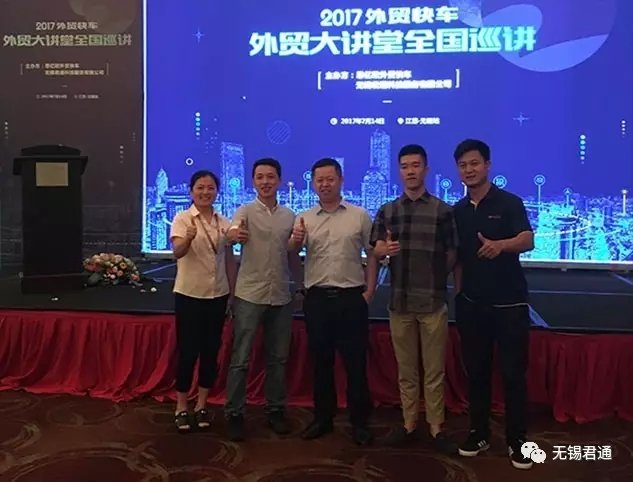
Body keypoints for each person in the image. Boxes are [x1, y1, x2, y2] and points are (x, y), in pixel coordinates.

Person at [451, 139, 535, 470]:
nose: (469, 170)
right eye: (463, 165)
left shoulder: (509, 202)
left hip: (510, 305)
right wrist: (459, 294)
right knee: (477, 374)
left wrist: (501, 245)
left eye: (474, 163)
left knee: (513, 375)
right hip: (472, 305)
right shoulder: (458, 211)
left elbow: (528, 239)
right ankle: (479, 433)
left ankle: (518, 440)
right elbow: (458, 258)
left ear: (487, 165)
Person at [370, 144, 459, 454]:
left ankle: (436, 427)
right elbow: (375, 249)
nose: (410, 171)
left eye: (416, 165)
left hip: (433, 302)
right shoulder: (387, 210)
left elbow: (452, 253)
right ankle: (409, 424)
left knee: (434, 371)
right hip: (400, 302)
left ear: (426, 169)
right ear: (399, 171)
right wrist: (382, 250)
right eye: (405, 166)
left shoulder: (442, 211)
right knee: (406, 370)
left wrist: (436, 277)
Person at [288, 158, 378, 446]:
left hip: (351, 298)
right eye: (319, 180)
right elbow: (292, 253)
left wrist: (370, 291)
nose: (324, 184)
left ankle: (359, 422)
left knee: (355, 364)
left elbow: (373, 253)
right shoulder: (304, 217)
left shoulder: (359, 215)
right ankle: (322, 419)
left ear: (341, 180)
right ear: (313, 183)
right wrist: (296, 241)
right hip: (317, 300)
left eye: (330, 179)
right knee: (321, 363)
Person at [224, 158, 303, 441]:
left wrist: (300, 287)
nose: (265, 182)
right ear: (253, 181)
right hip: (249, 294)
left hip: (281, 294)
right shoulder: (244, 211)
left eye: (270, 177)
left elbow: (292, 254)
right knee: (240, 358)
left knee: (278, 358)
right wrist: (235, 235)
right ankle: (234, 413)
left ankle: (275, 409)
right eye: (260, 177)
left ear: (279, 180)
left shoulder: (289, 215)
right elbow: (232, 233)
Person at [169, 170, 236, 432]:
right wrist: (188, 237)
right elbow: (178, 252)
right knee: (187, 352)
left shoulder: (224, 222)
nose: (205, 192)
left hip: (217, 295)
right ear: (191, 191)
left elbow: (228, 260)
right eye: (200, 187)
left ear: (216, 192)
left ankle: (202, 404)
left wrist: (231, 292)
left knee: (210, 352)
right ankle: (181, 406)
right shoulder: (182, 218)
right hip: (189, 295)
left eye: (210, 188)